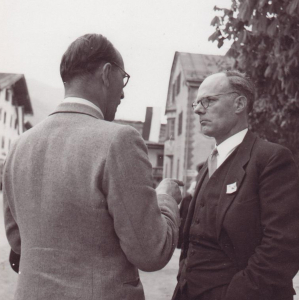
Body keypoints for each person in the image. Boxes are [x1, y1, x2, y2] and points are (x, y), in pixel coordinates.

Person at [3, 33, 182, 300]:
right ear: (107, 73)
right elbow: (151, 251)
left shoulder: (19, 146)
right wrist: (165, 198)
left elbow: (18, 241)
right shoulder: (119, 140)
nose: (123, 92)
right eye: (124, 79)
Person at [172, 70, 299, 300]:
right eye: (196, 103)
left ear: (239, 104)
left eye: (208, 101)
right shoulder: (205, 168)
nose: (198, 109)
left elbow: (283, 247)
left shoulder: (270, 159)